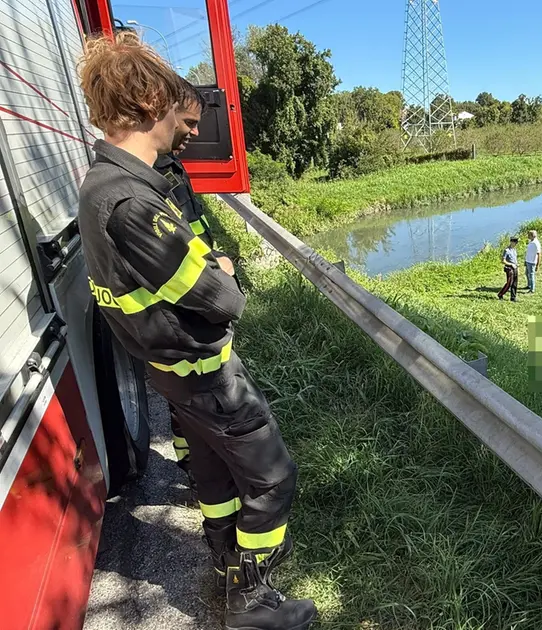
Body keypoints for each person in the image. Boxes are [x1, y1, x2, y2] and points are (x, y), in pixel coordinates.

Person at [76, 31, 316, 630]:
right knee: (273, 477)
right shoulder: (131, 203)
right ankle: (252, 601)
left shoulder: (106, 186)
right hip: (204, 374)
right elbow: (223, 298)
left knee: (212, 474)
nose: (187, 130)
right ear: (149, 103)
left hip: (173, 372)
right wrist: (224, 272)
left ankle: (225, 565)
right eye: (179, 115)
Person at [152, 77, 229, 492]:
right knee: (193, 406)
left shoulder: (169, 164)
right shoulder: (150, 176)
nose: (196, 133)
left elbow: (191, 230)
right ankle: (197, 469)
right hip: (185, 312)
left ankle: (195, 465)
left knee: (187, 407)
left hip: (197, 295)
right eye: (189, 122)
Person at [498, 236, 519, 302]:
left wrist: (516, 265)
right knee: (509, 283)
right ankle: (500, 294)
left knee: (515, 283)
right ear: (511, 242)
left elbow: (514, 259)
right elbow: (503, 261)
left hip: (515, 268)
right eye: (515, 242)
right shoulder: (506, 250)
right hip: (509, 269)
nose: (516, 243)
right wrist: (511, 264)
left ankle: (513, 298)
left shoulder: (514, 250)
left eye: (516, 242)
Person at [524, 230, 541, 294]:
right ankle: (529, 285)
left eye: (529, 235)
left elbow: (539, 254)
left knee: (531, 275)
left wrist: (538, 265)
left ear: (533, 236)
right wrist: (525, 260)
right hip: (528, 261)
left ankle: (532, 289)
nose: (528, 236)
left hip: (532, 262)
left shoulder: (536, 243)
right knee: (527, 273)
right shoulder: (531, 241)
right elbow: (528, 252)